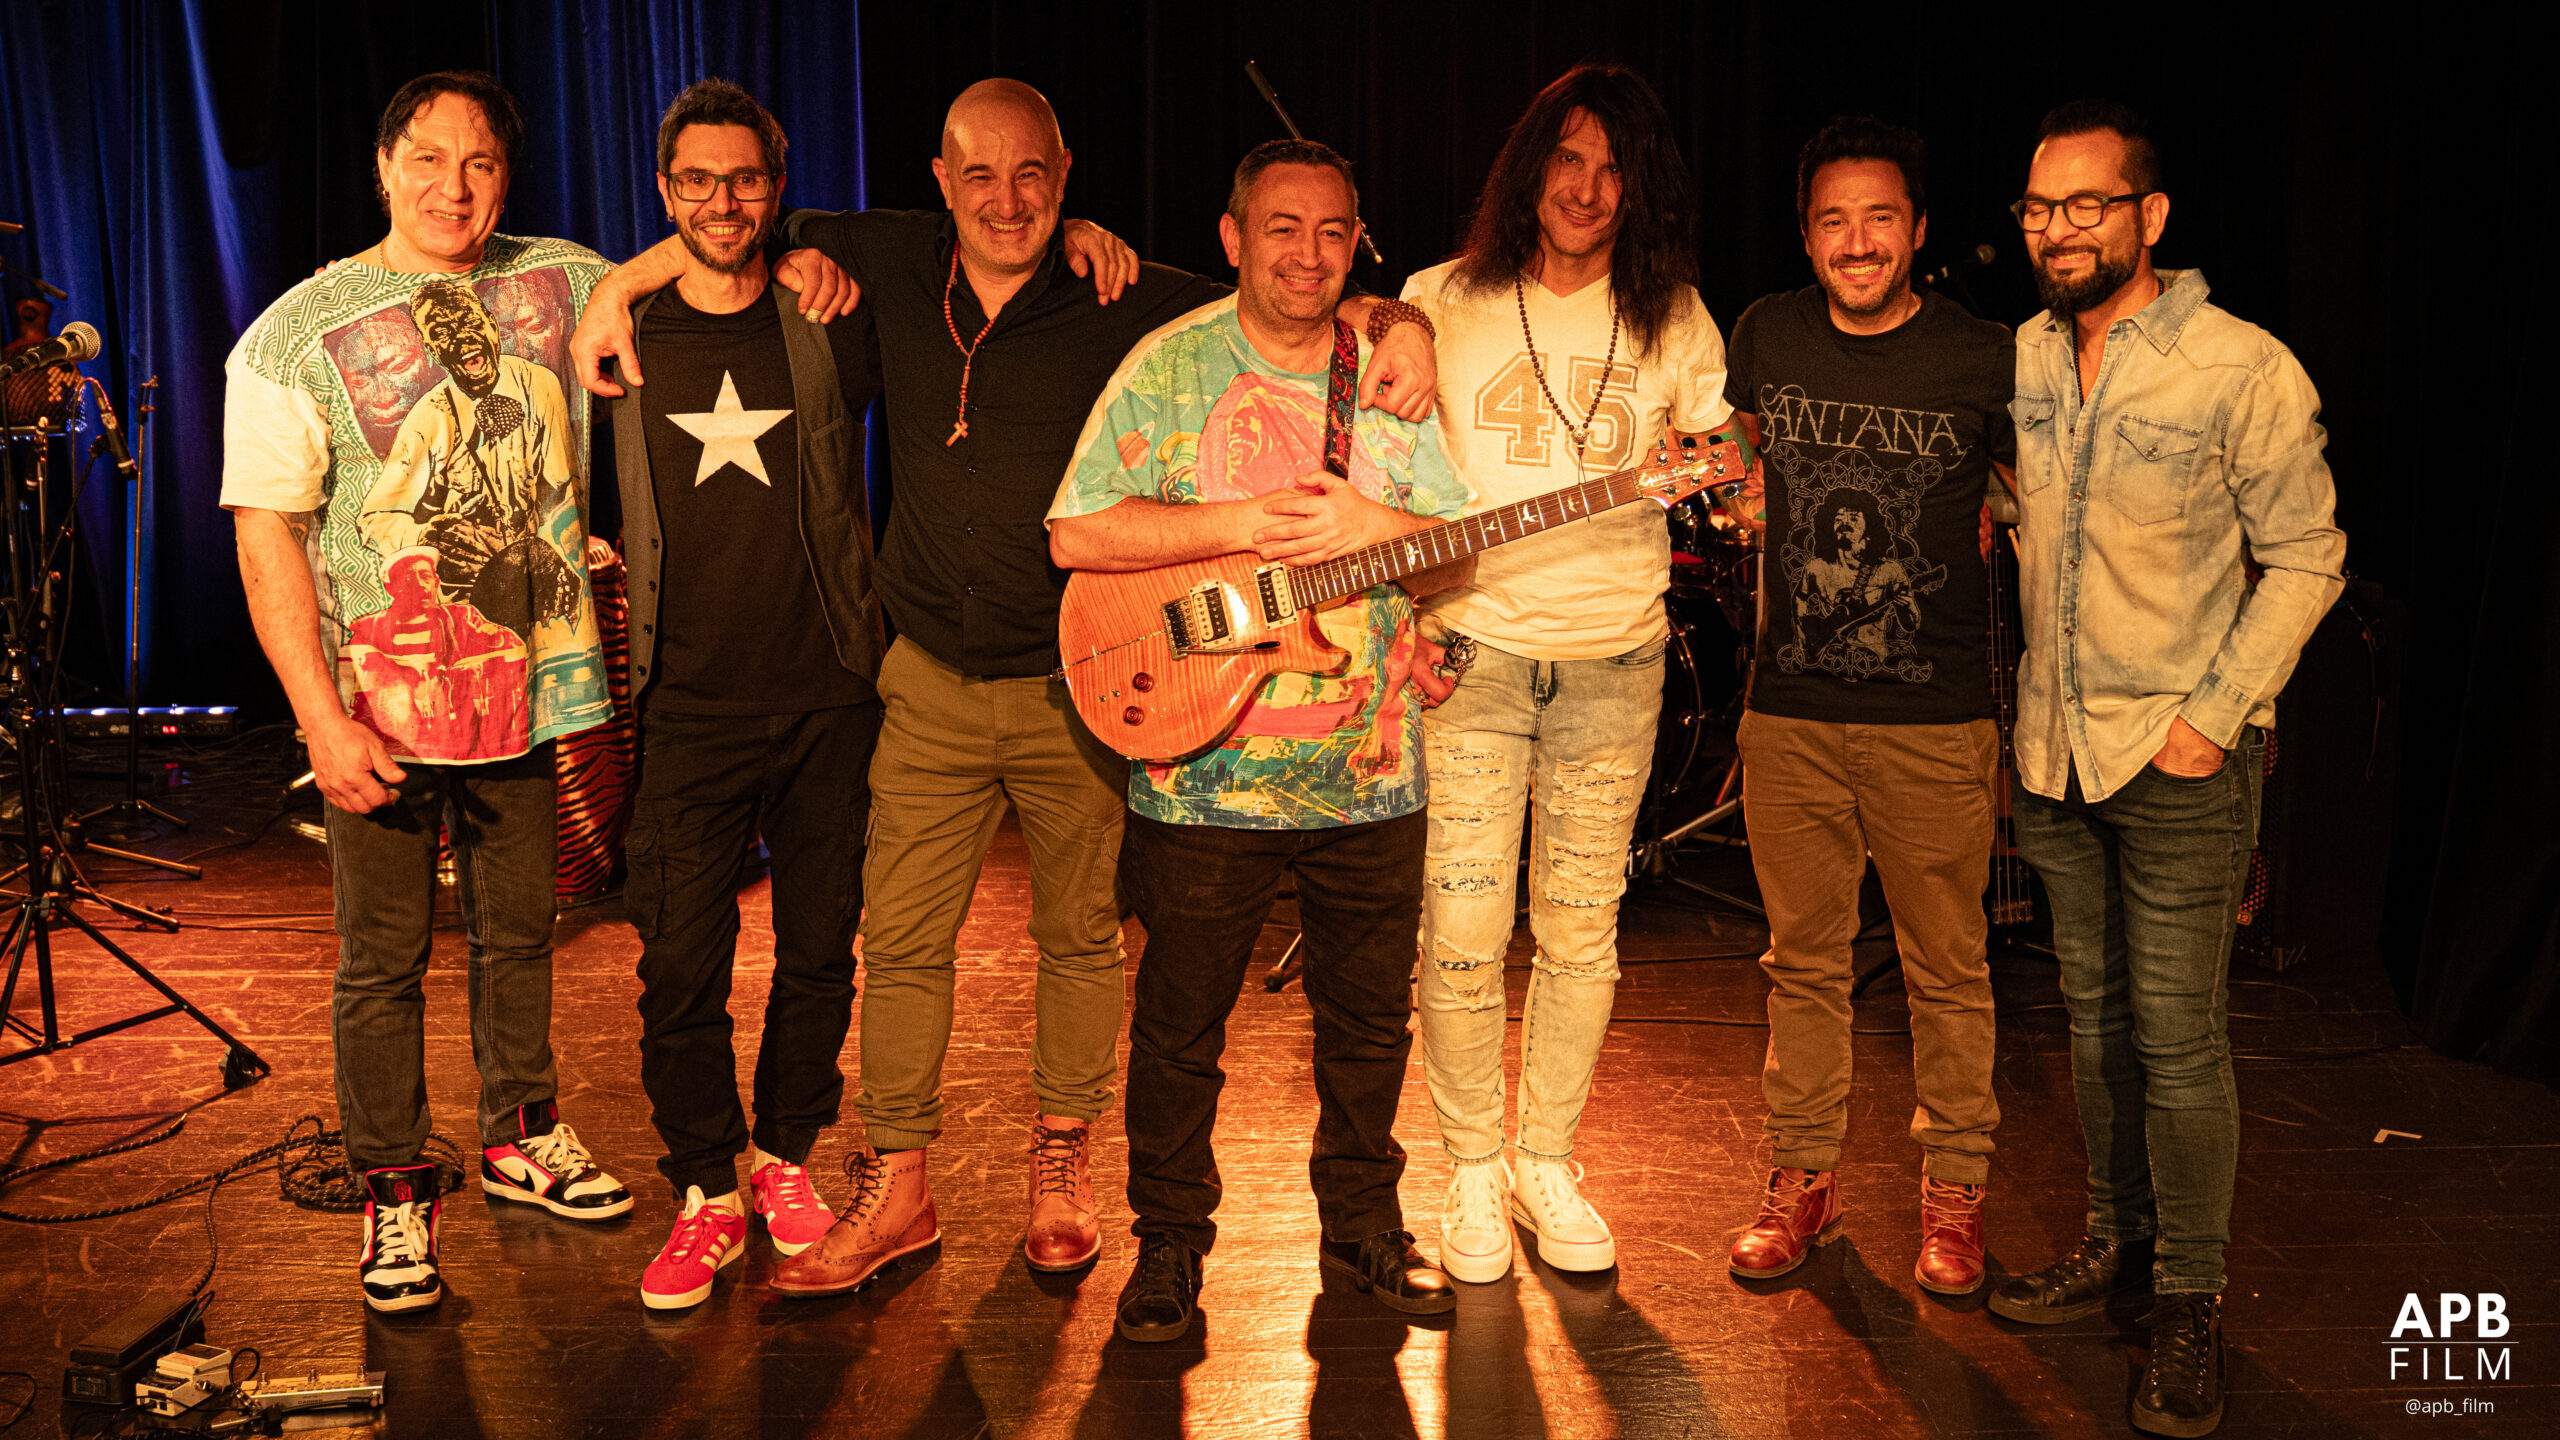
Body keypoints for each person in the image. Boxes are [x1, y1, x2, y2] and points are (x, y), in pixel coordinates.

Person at [571, 78, 1438, 1294]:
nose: (1007, 199)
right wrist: (614, 287)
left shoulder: (1121, 292)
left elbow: (1288, 282)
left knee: (1080, 937)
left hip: (1083, 681)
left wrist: (1404, 322)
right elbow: (730, 226)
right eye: (979, 173)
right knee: (900, 940)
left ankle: (1060, 1167)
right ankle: (900, 1187)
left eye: (1032, 174)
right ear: (941, 180)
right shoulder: (880, 260)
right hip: (923, 676)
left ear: (1065, 176)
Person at [223, 71, 635, 1314]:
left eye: (481, 162)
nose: (454, 187)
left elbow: (700, 255)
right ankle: (394, 1187)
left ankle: (521, 1133)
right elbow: (267, 530)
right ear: (383, 165)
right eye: (428, 159)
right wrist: (320, 718)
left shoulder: (564, 281)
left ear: (507, 175)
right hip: (386, 708)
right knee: (382, 960)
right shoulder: (295, 334)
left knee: (521, 935)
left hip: (529, 696)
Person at [1048, 138, 1471, 1342]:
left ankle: (1364, 1230)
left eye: (1333, 232)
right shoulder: (1169, 366)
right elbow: (1075, 534)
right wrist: (1245, 524)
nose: (1307, 254)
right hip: (1199, 778)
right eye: (1281, 228)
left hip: (1371, 774)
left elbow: (1453, 556)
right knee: (1179, 1031)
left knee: (1368, 1028)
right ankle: (1168, 1246)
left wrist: (1375, 523)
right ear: (1233, 237)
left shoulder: (1389, 375)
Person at [1988, 101, 2343, 1438]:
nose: (2058, 229)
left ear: (2150, 216)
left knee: (2178, 1040)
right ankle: (2116, 1246)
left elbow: (2308, 556)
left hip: (2180, 760)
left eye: (2086, 205)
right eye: (2040, 207)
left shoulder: (2240, 366)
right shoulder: (2023, 356)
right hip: (2057, 756)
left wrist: (2215, 714)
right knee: (2094, 1024)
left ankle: (2190, 1298)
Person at [1396, 63, 1740, 1284]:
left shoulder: (1676, 317)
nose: (1588, 189)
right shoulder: (1438, 299)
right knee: (1460, 931)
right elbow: (1385, 466)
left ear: (1641, 191)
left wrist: (1733, 477)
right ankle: (1469, 1167)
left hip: (1615, 663)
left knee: (1581, 933)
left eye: (1614, 170)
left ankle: (1544, 1161)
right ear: (1531, 165)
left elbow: (1720, 455)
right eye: (1570, 159)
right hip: (1472, 655)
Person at [1714, 117, 2018, 1298]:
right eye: (1832, 220)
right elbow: (1736, 453)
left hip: (1935, 720)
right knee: (1802, 964)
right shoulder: (1768, 332)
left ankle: (1955, 1192)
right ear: (1806, 235)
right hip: (1789, 712)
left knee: (1948, 970)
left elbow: (2034, 490)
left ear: (1918, 229)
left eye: (1879, 217)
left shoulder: (1982, 355)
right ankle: (1802, 1177)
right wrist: (1742, 489)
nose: (1856, 241)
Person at [604, 79, 890, 1312]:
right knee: (680, 964)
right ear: (664, 193)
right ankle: (703, 1190)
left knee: (820, 950)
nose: (723, 202)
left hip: (830, 694)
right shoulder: (619, 332)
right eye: (698, 181)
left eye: (746, 179)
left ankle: (783, 1158)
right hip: (686, 704)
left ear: (778, 188)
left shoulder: (829, 314)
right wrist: (618, 285)